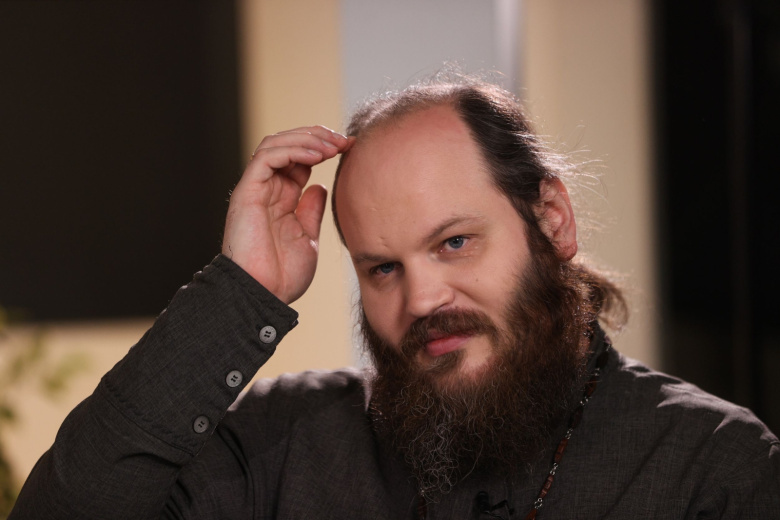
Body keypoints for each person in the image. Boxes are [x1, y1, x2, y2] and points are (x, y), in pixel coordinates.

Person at [10, 75, 780, 519]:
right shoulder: (283, 446)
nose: (421, 298)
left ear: (551, 220)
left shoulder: (711, 465)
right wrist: (239, 292)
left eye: (455, 242)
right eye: (381, 268)